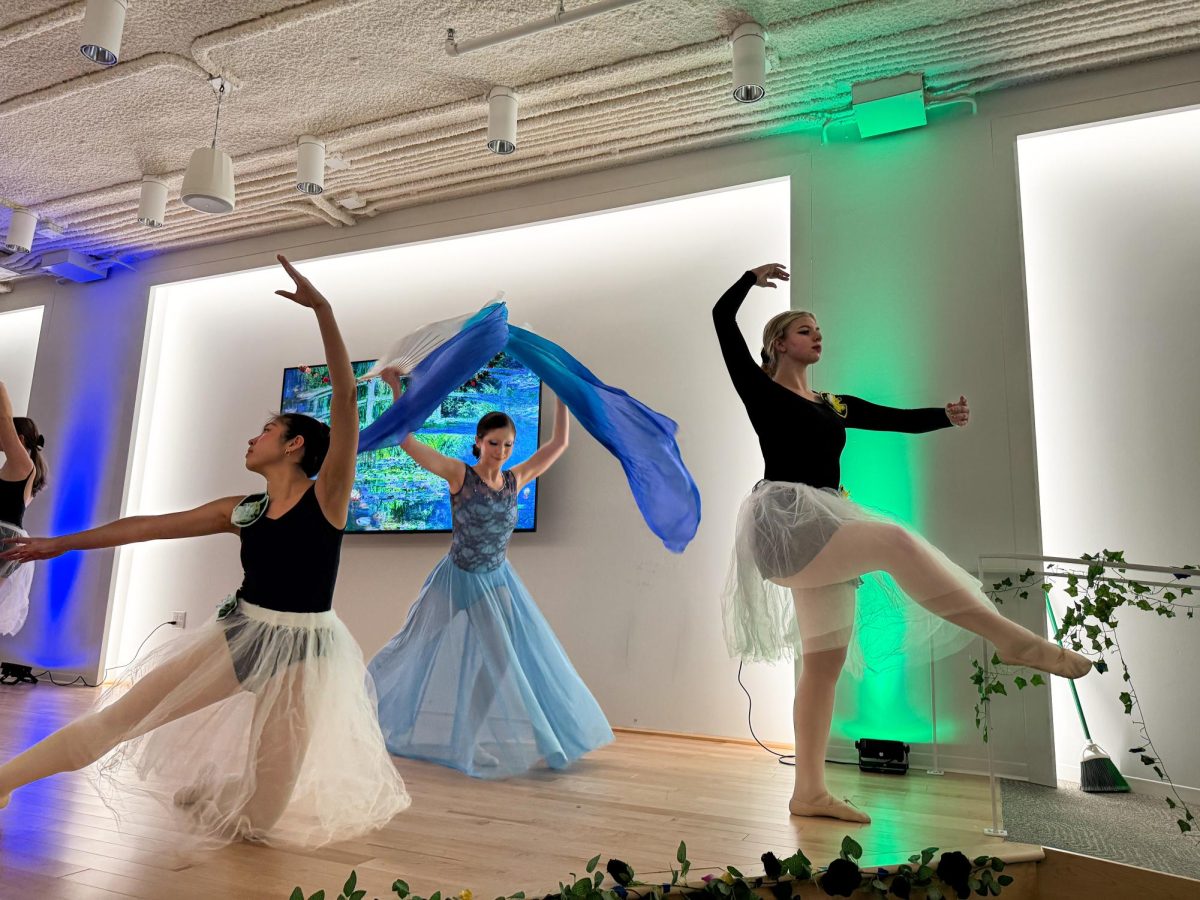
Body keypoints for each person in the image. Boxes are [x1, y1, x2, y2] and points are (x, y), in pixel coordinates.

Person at [0, 255, 409, 849]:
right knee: (115, 721)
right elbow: (150, 526)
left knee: (257, 823)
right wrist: (57, 544)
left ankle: (222, 791)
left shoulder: (330, 498)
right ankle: (5, 780)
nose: (252, 437)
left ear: (295, 444)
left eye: (266, 431)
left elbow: (345, 401)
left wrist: (323, 311)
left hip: (305, 653)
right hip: (241, 636)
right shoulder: (242, 510)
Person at [715, 263, 1091, 824]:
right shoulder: (760, 390)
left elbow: (887, 418)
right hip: (787, 523)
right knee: (892, 540)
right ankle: (1010, 639)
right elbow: (722, 320)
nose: (817, 336)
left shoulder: (831, 403)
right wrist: (748, 279)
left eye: (820, 330)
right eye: (805, 330)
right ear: (777, 343)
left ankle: (809, 791)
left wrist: (944, 416)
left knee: (824, 663)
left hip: (824, 520)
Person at [367, 367, 613, 778]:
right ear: (478, 443)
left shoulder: (517, 479)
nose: (500, 450)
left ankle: (470, 738)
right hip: (454, 577)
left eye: (508, 444)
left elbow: (560, 442)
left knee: (501, 662)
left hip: (494, 580)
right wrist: (396, 390)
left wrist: (561, 391)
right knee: (411, 645)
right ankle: (359, 708)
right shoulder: (458, 474)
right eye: (493, 443)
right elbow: (406, 440)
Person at [0, 379, 47, 636]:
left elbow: (5, 419)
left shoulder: (22, 465)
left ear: (17, 439)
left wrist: (1, 387)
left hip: (4, 539)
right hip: (8, 539)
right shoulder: (22, 469)